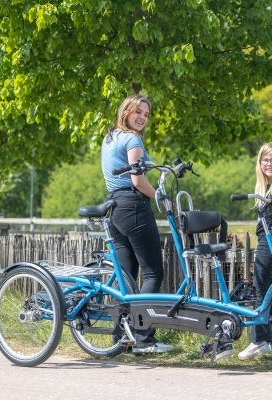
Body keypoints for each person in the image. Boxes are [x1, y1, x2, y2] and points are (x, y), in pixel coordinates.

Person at [101, 94, 173, 354]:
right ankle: (144, 339)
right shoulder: (133, 139)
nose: (142, 117)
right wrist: (161, 198)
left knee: (126, 278)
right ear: (126, 112)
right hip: (133, 206)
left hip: (114, 208)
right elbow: (138, 181)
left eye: (146, 114)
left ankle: (122, 337)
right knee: (153, 272)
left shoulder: (109, 138)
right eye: (138, 112)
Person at [238, 142, 272, 360]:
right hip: (269, 240)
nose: (269, 164)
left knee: (261, 289)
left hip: (271, 242)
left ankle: (259, 341)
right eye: (265, 160)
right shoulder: (270, 187)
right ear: (259, 163)